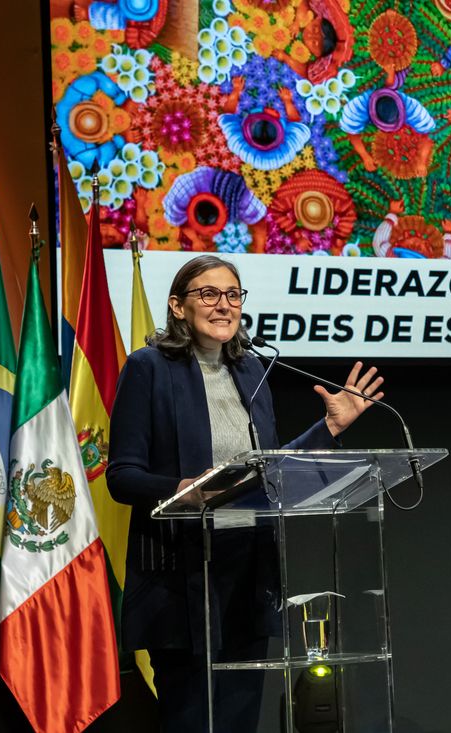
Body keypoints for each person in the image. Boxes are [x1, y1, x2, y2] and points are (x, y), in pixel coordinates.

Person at [106, 255, 383, 732]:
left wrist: (330, 428)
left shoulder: (251, 370)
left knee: (238, 719)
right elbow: (121, 475)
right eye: (208, 294)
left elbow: (269, 471)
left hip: (249, 574)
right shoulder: (148, 368)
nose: (224, 305)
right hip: (182, 577)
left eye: (233, 295)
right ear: (177, 306)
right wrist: (182, 490)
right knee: (192, 719)